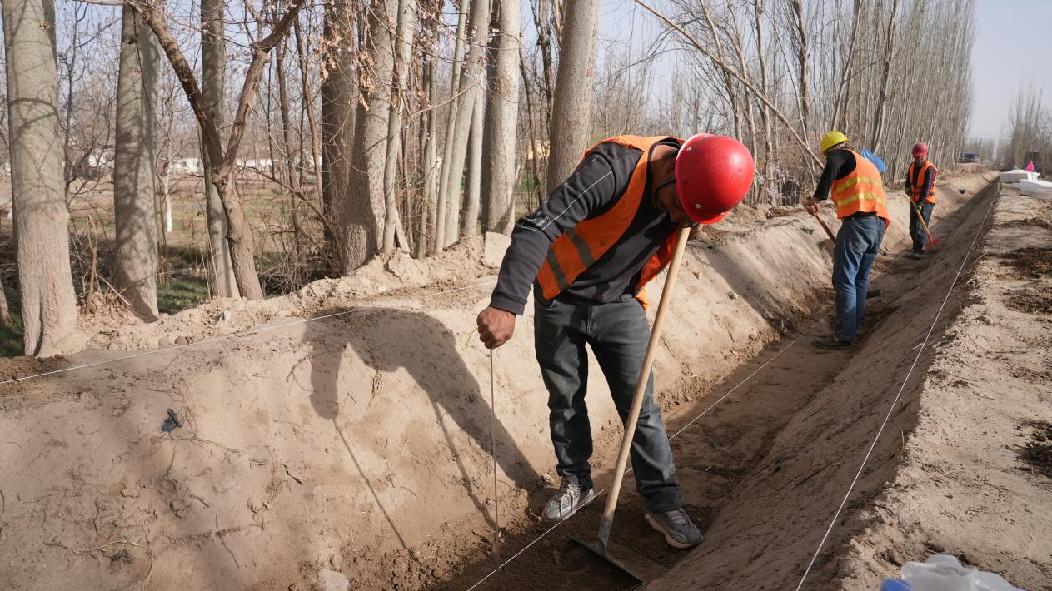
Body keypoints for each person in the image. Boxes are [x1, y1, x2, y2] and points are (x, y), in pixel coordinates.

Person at [475, 134, 754, 549]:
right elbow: (536, 227)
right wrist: (506, 303)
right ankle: (576, 481)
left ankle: (662, 502)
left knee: (641, 404)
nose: (679, 218)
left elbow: (687, 219)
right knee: (565, 396)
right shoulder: (612, 170)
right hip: (559, 293)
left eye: (689, 215)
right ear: (670, 171)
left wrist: (690, 220)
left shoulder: (695, 191)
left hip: (619, 302)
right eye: (678, 206)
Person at [804, 131, 889, 351]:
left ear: (831, 150)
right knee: (859, 279)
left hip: (858, 224)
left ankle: (843, 336)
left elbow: (833, 162)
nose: (828, 160)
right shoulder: (866, 163)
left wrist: (817, 198)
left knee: (844, 279)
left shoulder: (840, 155)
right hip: (878, 225)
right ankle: (853, 327)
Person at [906, 142, 938, 259]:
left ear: (925, 155)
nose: (918, 159)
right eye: (915, 157)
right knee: (913, 227)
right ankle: (916, 247)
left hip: (926, 202)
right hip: (914, 200)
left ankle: (920, 249)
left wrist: (921, 203)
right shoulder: (912, 166)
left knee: (920, 226)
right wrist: (907, 188)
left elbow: (926, 188)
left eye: (920, 157)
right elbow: (907, 181)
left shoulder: (930, 169)